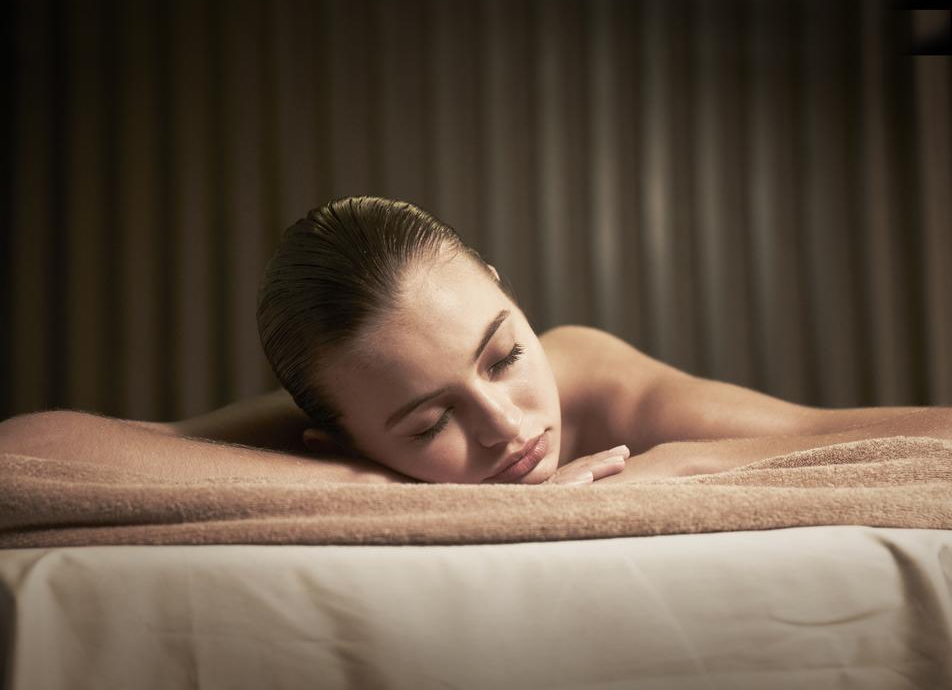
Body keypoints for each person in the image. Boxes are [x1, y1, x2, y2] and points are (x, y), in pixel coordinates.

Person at [1, 196, 949, 483]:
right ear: (340, 441)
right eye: (424, 425)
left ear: (505, 294)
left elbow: (833, 431)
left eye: (502, 354)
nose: (508, 426)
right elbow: (28, 451)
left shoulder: (594, 382)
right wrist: (388, 500)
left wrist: (675, 472)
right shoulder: (330, 447)